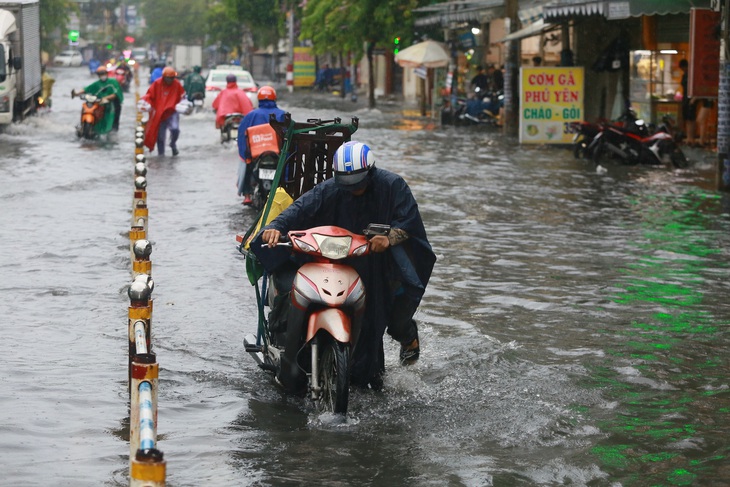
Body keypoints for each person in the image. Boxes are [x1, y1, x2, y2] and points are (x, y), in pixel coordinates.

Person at [253, 141, 436, 393]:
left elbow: (409, 224)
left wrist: (389, 237)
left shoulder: (393, 186)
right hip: (335, 259)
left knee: (378, 321)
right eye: (347, 185)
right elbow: (298, 210)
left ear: (370, 172)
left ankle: (384, 357)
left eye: (359, 183)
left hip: (376, 263)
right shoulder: (329, 190)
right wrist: (275, 227)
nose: (354, 190)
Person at [236, 86, 286, 205]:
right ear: (274, 98)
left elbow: (242, 137)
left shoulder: (251, 115)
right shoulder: (282, 114)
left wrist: (245, 155)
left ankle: (247, 195)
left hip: (256, 155)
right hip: (278, 155)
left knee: (245, 165)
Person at [141, 66, 186, 156]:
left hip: (172, 112)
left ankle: (173, 144)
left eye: (172, 78)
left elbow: (183, 96)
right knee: (160, 136)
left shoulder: (177, 84)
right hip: (160, 114)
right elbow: (149, 96)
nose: (170, 80)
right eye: (168, 78)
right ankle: (161, 154)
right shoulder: (157, 84)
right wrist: (146, 104)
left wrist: (185, 105)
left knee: (175, 129)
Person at [74, 65, 124, 132]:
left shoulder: (113, 82)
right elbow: (87, 89)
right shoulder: (97, 84)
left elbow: (115, 94)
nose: (102, 75)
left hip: (113, 103)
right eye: (100, 74)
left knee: (115, 121)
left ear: (106, 73)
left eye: (103, 73)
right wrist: (77, 93)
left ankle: (113, 132)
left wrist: (106, 98)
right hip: (100, 102)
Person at [679, 59, 697, 146]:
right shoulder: (684, 75)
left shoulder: (692, 75)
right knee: (686, 118)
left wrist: (693, 98)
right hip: (685, 98)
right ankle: (688, 137)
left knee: (691, 119)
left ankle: (691, 137)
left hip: (690, 99)